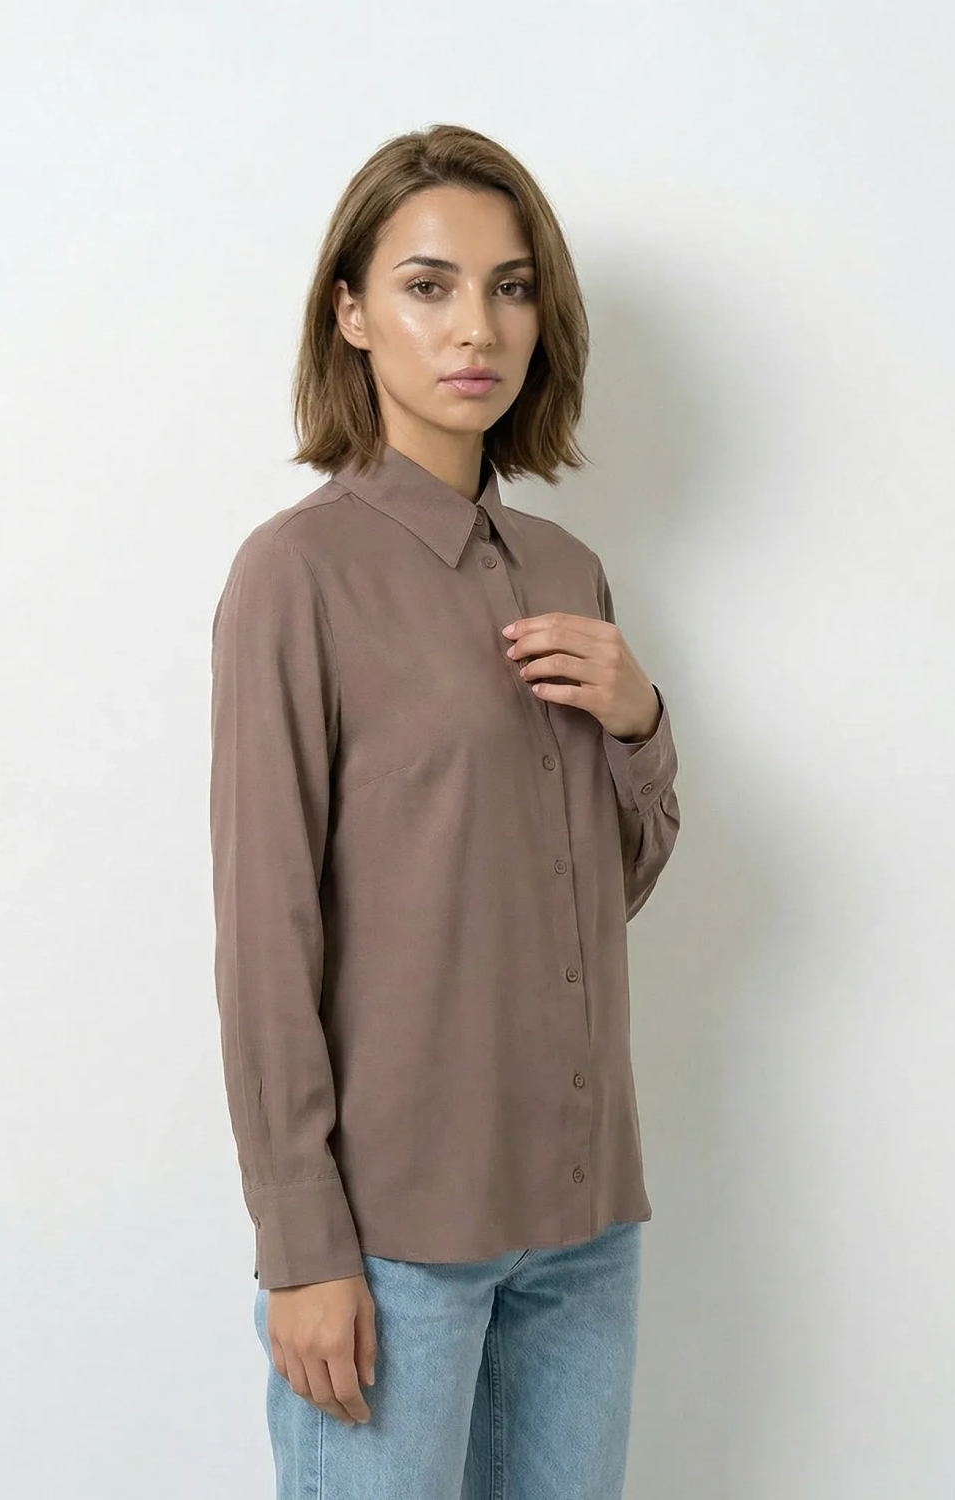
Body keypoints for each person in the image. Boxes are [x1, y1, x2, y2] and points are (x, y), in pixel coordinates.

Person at [209, 122, 682, 1500]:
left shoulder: (568, 569)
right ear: (351, 313)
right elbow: (265, 937)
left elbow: (603, 890)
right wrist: (303, 1245)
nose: (477, 326)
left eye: (511, 286)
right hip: (395, 1240)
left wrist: (640, 722)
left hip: (585, 1223)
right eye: (428, 285)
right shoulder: (298, 578)